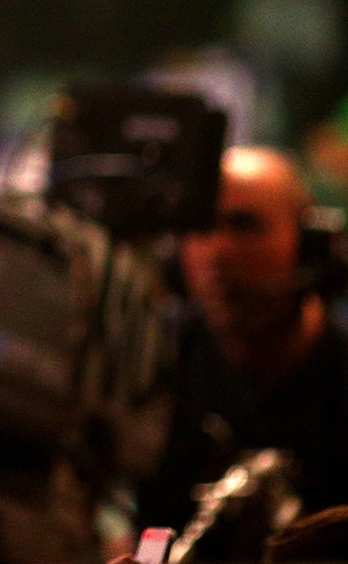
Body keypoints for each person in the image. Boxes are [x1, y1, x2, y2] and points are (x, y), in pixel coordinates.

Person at [135, 146, 348, 532]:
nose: (216, 251)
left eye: (245, 225)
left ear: (310, 245)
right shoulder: (156, 367)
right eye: (200, 227)